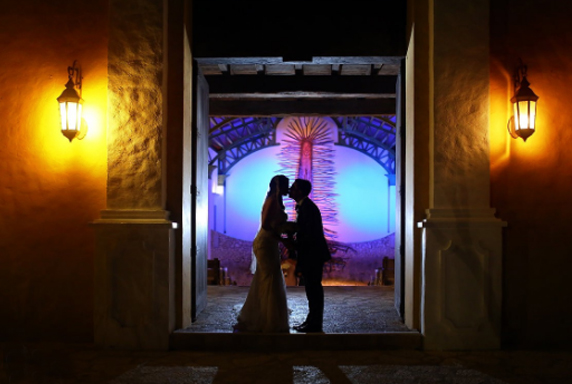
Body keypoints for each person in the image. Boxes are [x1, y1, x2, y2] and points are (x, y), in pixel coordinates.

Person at [233, 175, 290, 333]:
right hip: (265, 242)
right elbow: (266, 225)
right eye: (286, 185)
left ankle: (265, 312)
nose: (288, 188)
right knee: (269, 276)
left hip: (271, 242)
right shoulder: (272, 201)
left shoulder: (277, 201)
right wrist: (283, 237)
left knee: (269, 276)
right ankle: (267, 317)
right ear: (278, 186)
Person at [286, 178, 331, 333]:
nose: (290, 190)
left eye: (293, 187)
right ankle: (311, 320)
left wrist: (293, 244)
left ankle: (315, 323)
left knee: (314, 290)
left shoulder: (307, 208)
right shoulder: (305, 206)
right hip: (312, 254)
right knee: (311, 289)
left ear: (300, 191)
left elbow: (308, 234)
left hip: (313, 254)